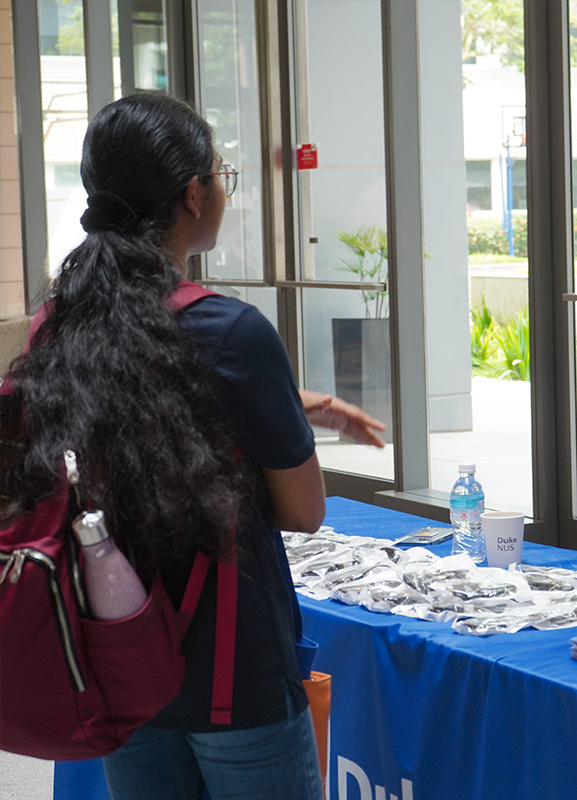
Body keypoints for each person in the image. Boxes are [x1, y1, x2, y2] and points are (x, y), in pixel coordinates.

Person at [1, 93, 384, 799]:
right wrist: (287, 423)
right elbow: (304, 511)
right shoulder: (232, 330)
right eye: (221, 175)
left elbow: (142, 387)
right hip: (233, 674)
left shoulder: (60, 323)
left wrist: (301, 405)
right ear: (191, 193)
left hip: (116, 657)